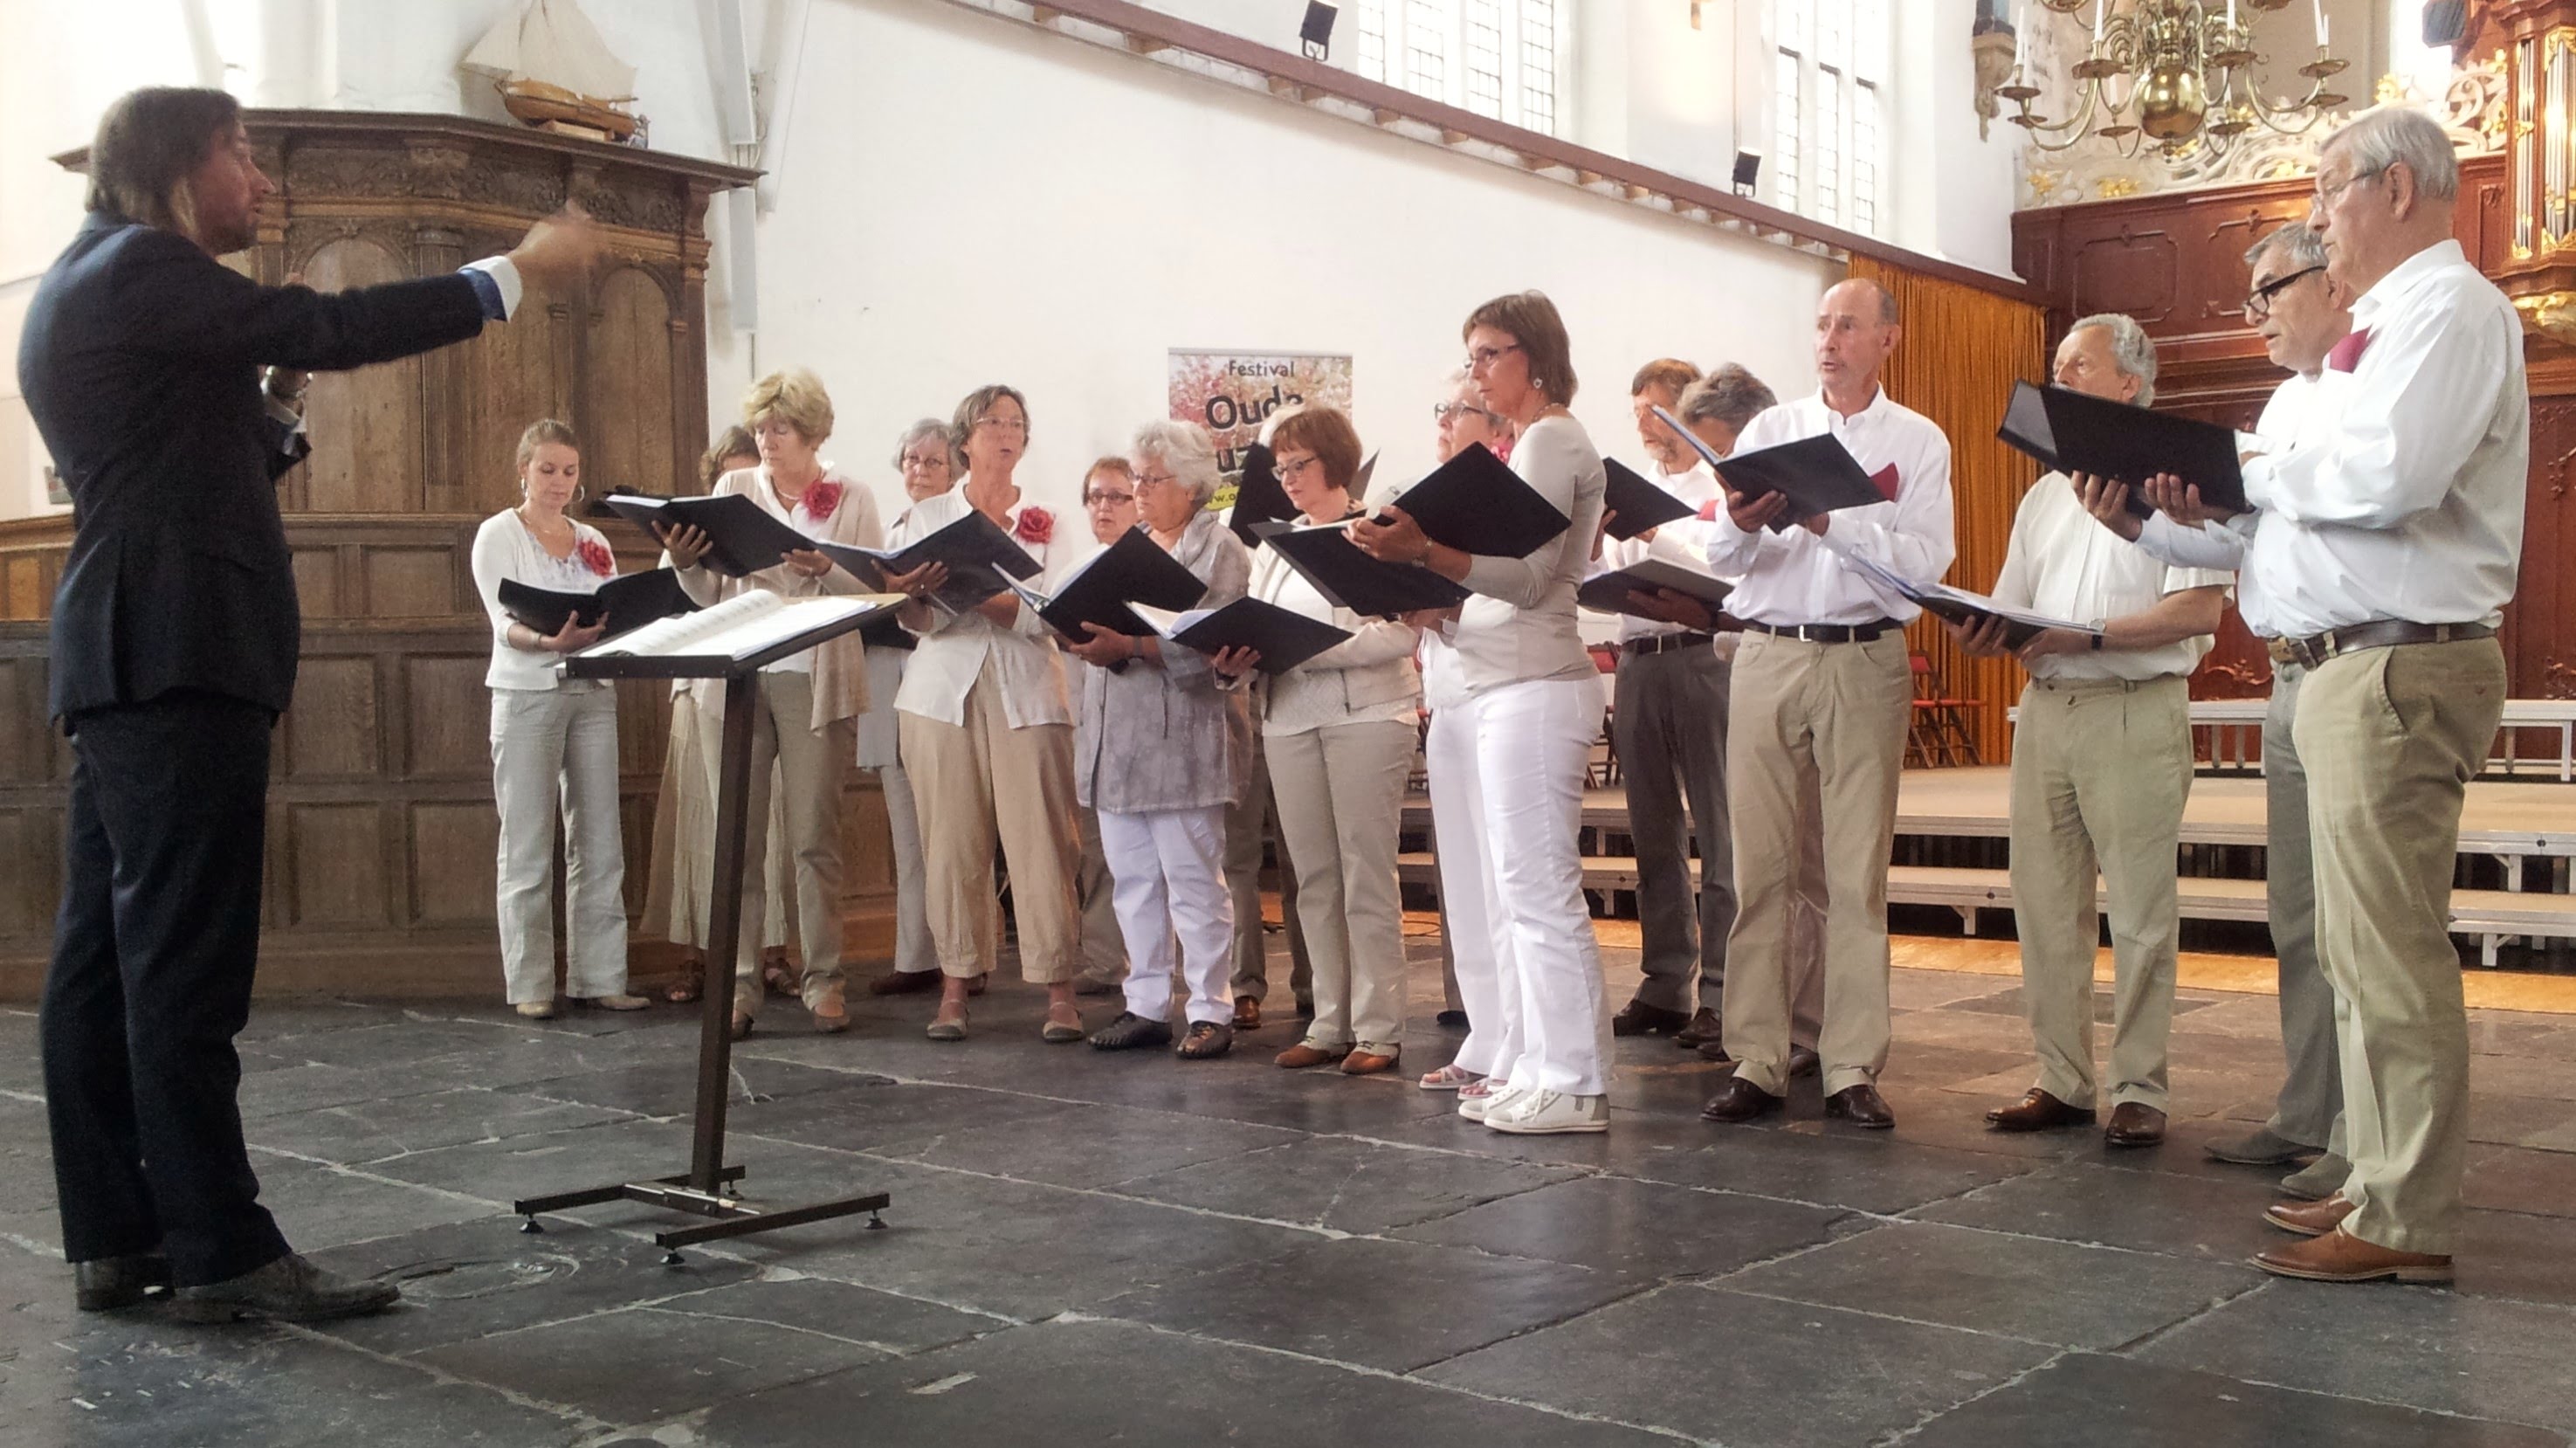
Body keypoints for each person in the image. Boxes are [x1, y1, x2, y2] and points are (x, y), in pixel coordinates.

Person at [24, 86, 596, 1321]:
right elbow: (332, 321)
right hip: (178, 648)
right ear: (178, 169)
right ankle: (220, 1246)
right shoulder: (142, 270)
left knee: (104, 963)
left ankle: (117, 1237)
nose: (261, 182)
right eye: (240, 156)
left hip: (126, 646)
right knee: (180, 962)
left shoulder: (79, 281)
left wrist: (268, 416)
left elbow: (173, 460)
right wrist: (511, 272)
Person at [2216, 110, 2520, 1285]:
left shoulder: (2449, 309)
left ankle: (2404, 1216)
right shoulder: (2384, 322)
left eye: (2329, 188)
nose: (2318, 211)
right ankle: (2374, 1170)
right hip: (2355, 658)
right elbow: (2321, 484)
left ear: (2394, 187)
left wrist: (2248, 471)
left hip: (2397, 659)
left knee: (2388, 949)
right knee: (2350, 947)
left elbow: (2392, 477)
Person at [2085, 222, 2359, 1197]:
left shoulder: (2367, 391)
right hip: (2291, 675)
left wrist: (2234, 495)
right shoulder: (2285, 402)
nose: (2254, 316)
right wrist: (2145, 518)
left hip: (2354, 667)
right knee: (2296, 916)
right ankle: (2307, 1110)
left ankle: (2361, 1137)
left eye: (2267, 291)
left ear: (2332, 279)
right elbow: (2239, 545)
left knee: (2353, 924)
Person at [1951, 316, 2229, 1149]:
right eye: (2056, 366)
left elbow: (2200, 608)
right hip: (2048, 711)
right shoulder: (2043, 494)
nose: (2058, 379)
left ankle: (2141, 1085)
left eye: (2079, 367)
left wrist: (2094, 636)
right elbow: (2015, 599)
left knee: (2141, 911)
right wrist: (1982, 628)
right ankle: (2062, 1079)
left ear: (2130, 386)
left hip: (2132, 710)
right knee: (2044, 906)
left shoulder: (2175, 484)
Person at [1698, 278, 1955, 1133]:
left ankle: (1849, 1063)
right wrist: (1741, 518)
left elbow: (1923, 565)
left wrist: (1826, 522)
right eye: (1820, 324)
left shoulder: (1918, 441)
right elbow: (1723, 555)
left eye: (1847, 324)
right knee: (1761, 870)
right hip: (1768, 652)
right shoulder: (1772, 429)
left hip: (1862, 658)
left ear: (1888, 338)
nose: (1828, 338)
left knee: (1853, 875)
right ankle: (1758, 1058)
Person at [1353, 290, 1613, 1135]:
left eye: (1489, 353)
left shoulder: (1552, 436)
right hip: (1509, 679)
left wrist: (1422, 552)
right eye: (1471, 356)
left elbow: (1532, 579)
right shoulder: (1535, 440)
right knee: (1517, 890)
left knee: (1538, 894)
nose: (1476, 371)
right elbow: (1505, 591)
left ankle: (1573, 1078)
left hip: (1537, 687)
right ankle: (1539, 1063)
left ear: (1533, 356)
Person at [658, 368, 884, 1040]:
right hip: (739, 677)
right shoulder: (735, 488)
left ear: (812, 432)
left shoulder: (852, 495)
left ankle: (824, 981)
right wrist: (682, 560)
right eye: (760, 428)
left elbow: (873, 591)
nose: (767, 440)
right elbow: (706, 596)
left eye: (779, 428)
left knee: (815, 839)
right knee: (741, 840)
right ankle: (741, 985)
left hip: (817, 679)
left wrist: (826, 571)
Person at [891, 384, 1084, 1043]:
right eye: (992, 421)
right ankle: (954, 987)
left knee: (1042, 840)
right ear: (964, 439)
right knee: (950, 841)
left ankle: (1059, 990)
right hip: (939, 692)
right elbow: (914, 621)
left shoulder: (1050, 520)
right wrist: (912, 596)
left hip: (1028, 689)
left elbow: (1059, 612)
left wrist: (985, 597)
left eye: (1016, 422)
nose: (1006, 431)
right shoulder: (926, 515)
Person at [1249, 405, 1422, 1075]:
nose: (1288, 478)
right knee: (1312, 879)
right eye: (1280, 467)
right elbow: (1261, 626)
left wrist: (1314, 652)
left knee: (1364, 874)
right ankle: (1328, 1022)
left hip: (1367, 717)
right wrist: (1239, 654)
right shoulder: (1274, 546)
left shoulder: (1379, 530)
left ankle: (1378, 1029)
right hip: (1287, 715)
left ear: (1335, 462)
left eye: (1300, 464)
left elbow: (1405, 631)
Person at [1079, 424, 1257, 1058]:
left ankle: (1212, 1007)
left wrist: (1129, 645)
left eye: (1151, 479)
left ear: (1190, 486)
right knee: (1133, 881)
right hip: (1120, 739)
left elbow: (1219, 640)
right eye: (1137, 478)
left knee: (1193, 881)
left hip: (1187, 739)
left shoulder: (1220, 549)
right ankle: (1146, 1002)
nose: (1140, 490)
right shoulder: (1125, 548)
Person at [468, 420, 651, 1021]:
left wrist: (613, 627)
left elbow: (612, 603)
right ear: (522, 469)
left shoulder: (592, 538)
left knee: (600, 840)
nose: (558, 482)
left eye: (569, 471)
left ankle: (600, 976)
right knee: (526, 844)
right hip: (527, 693)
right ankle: (530, 984)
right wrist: (549, 640)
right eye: (547, 469)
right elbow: (503, 622)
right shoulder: (499, 533)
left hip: (592, 689)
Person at [1599, 358, 1736, 1052]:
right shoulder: (1636, 490)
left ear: (1688, 410)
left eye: (1655, 410)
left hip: (1701, 655)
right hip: (1637, 659)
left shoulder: (1719, 485)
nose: (1647, 427)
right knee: (1652, 831)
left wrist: (1659, 535)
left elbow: (1722, 574)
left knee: (1719, 829)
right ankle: (1664, 984)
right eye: (1637, 415)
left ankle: (1723, 993)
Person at [864, 418, 995, 999]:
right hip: (889, 678)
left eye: (933, 462)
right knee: (908, 830)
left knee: (958, 828)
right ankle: (916, 953)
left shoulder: (961, 528)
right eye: (910, 461)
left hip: (948, 679)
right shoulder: (891, 529)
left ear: (957, 471)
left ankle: (968, 957)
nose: (918, 471)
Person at [1416, 376, 1512, 1074]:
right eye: (1441, 410)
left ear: (1495, 423)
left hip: (1500, 692)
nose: (1445, 422)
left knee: (1504, 878)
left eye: (1459, 411)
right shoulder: (1427, 501)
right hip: (1447, 694)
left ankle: (1520, 1040)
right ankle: (1484, 1035)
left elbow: (1523, 600)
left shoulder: (1511, 496)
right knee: (1464, 877)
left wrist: (1441, 609)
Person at [643, 425, 758, 1005]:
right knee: (696, 824)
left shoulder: (767, 526)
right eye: (724, 480)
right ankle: (695, 955)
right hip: (700, 683)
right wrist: (683, 560)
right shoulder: (690, 533)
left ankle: (770, 954)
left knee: (772, 825)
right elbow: (676, 601)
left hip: (763, 682)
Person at [1071, 457, 1149, 996]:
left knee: (1159, 863)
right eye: (1095, 496)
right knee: (1098, 853)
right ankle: (1103, 962)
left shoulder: (1155, 567)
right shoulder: (1075, 570)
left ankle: (1156, 968)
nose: (1104, 506)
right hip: (1091, 722)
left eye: (1118, 496)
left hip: (1151, 728)